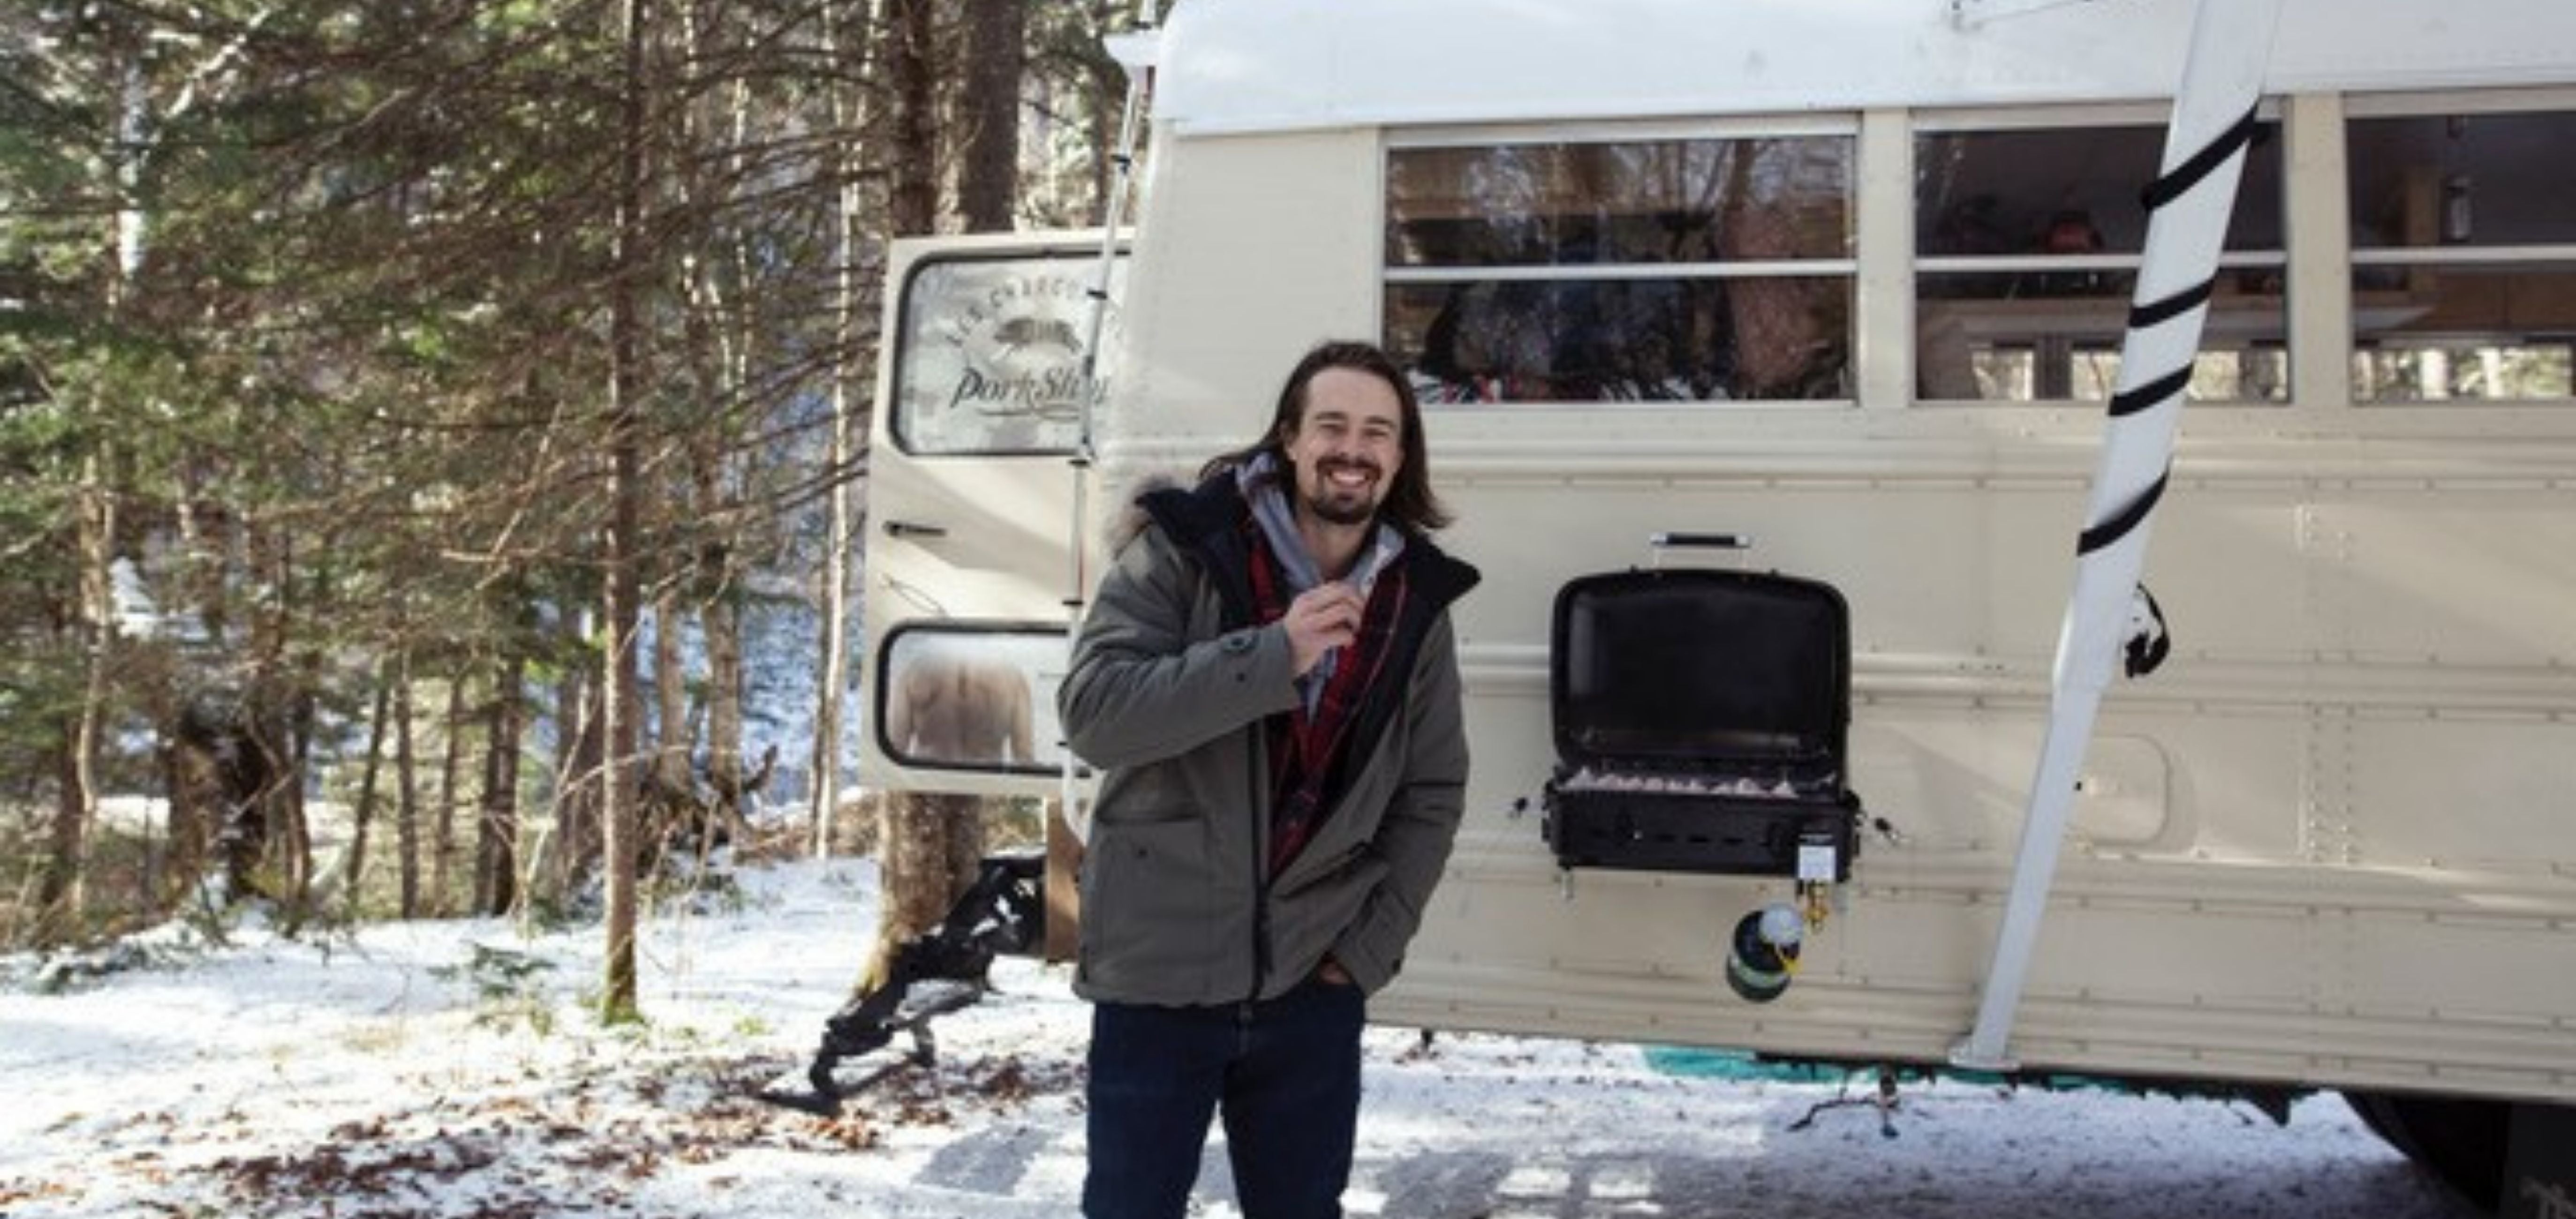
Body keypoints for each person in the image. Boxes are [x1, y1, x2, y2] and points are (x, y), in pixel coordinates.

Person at [1058, 339, 1481, 1219]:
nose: (1351, 450)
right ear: (1288, 439)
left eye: (1377, 432)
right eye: (1331, 425)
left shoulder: (1413, 600)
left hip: (1310, 986)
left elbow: (1430, 792)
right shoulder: (1185, 549)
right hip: (1161, 971)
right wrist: (1274, 653)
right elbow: (1096, 714)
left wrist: (1363, 951)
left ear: (1401, 455)